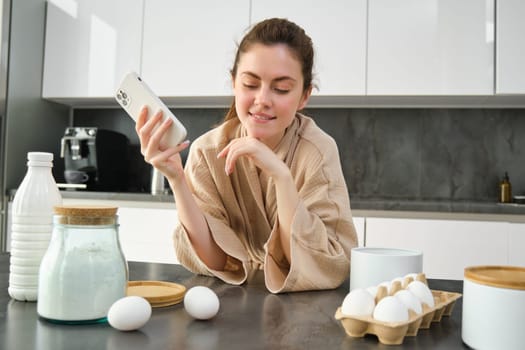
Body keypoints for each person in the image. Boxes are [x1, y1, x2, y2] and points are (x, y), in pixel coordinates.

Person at [136, 18, 357, 293]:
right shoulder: (207, 152)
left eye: (281, 89)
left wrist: (281, 177)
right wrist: (177, 179)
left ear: (304, 96)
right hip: (230, 307)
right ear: (234, 83)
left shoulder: (318, 151)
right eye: (250, 84)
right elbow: (217, 260)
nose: (262, 99)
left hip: (302, 311)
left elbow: (327, 264)